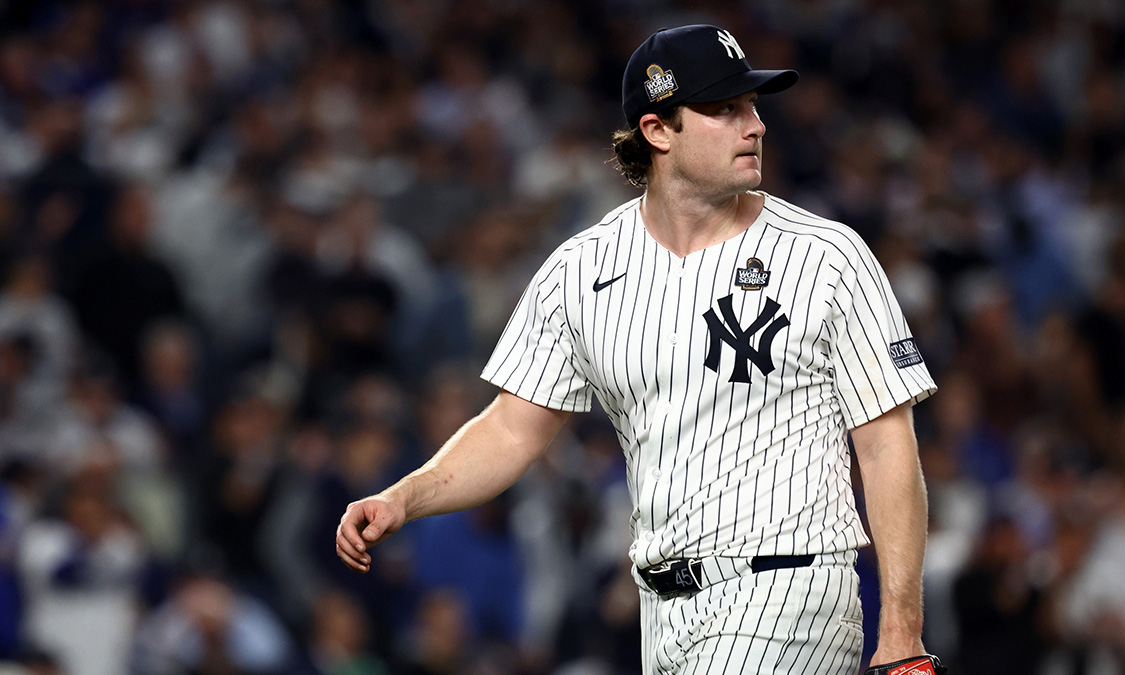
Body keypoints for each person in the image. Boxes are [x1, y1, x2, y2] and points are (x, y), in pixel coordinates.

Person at [336, 24, 939, 675]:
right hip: (661, 611)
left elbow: (885, 445)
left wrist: (902, 630)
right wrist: (405, 496)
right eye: (724, 108)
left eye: (754, 105)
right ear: (657, 131)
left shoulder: (827, 255)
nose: (756, 124)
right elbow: (511, 428)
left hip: (791, 589)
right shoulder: (583, 270)